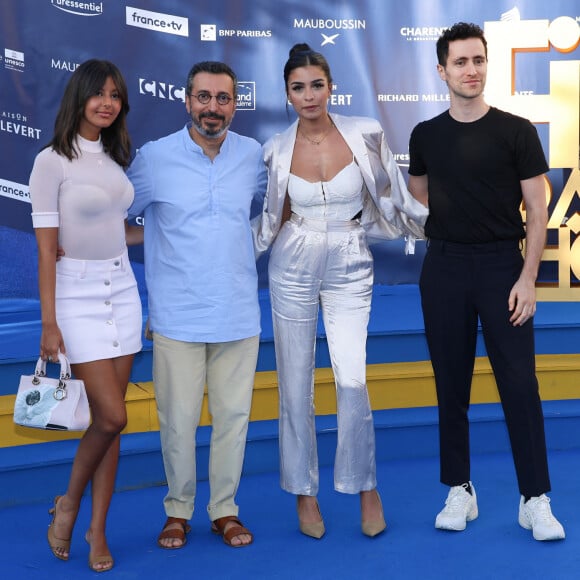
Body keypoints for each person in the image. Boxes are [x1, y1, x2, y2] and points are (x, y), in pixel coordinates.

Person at [252, 43, 427, 539]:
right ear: (287, 94)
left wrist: (446, 227)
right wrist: (225, 264)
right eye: (298, 87)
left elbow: (397, 197)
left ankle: (365, 486)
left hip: (351, 257)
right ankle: (304, 496)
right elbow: (270, 221)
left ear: (331, 86)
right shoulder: (274, 149)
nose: (309, 96)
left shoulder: (366, 133)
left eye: (317, 85)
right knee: (294, 382)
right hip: (292, 260)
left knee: (352, 380)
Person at [407, 22, 565, 541]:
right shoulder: (425, 135)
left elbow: (538, 211)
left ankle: (535, 499)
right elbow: (423, 193)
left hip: (503, 268)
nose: (470, 70)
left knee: (520, 385)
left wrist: (526, 278)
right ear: (442, 71)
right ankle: (460, 489)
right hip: (445, 269)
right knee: (450, 384)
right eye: (460, 62)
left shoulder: (516, 131)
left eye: (478, 60)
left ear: (485, 65)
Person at [127, 61, 267, 549]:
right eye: (203, 97)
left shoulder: (252, 155)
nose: (213, 108)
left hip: (238, 313)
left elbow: (276, 213)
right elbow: (122, 217)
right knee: (178, 420)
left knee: (233, 419)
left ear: (234, 104)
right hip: (177, 314)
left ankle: (225, 510)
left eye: (223, 98)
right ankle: (178, 511)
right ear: (187, 101)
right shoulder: (153, 157)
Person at [29, 59, 143, 572]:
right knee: (113, 415)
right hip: (75, 297)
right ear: (78, 97)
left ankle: (97, 532)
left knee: (109, 423)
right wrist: (49, 322)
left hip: (122, 287)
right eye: (97, 94)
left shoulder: (116, 158)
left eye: (115, 95)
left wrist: (175, 229)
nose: (106, 102)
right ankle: (68, 504)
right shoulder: (51, 162)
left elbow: (118, 229)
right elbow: (45, 248)